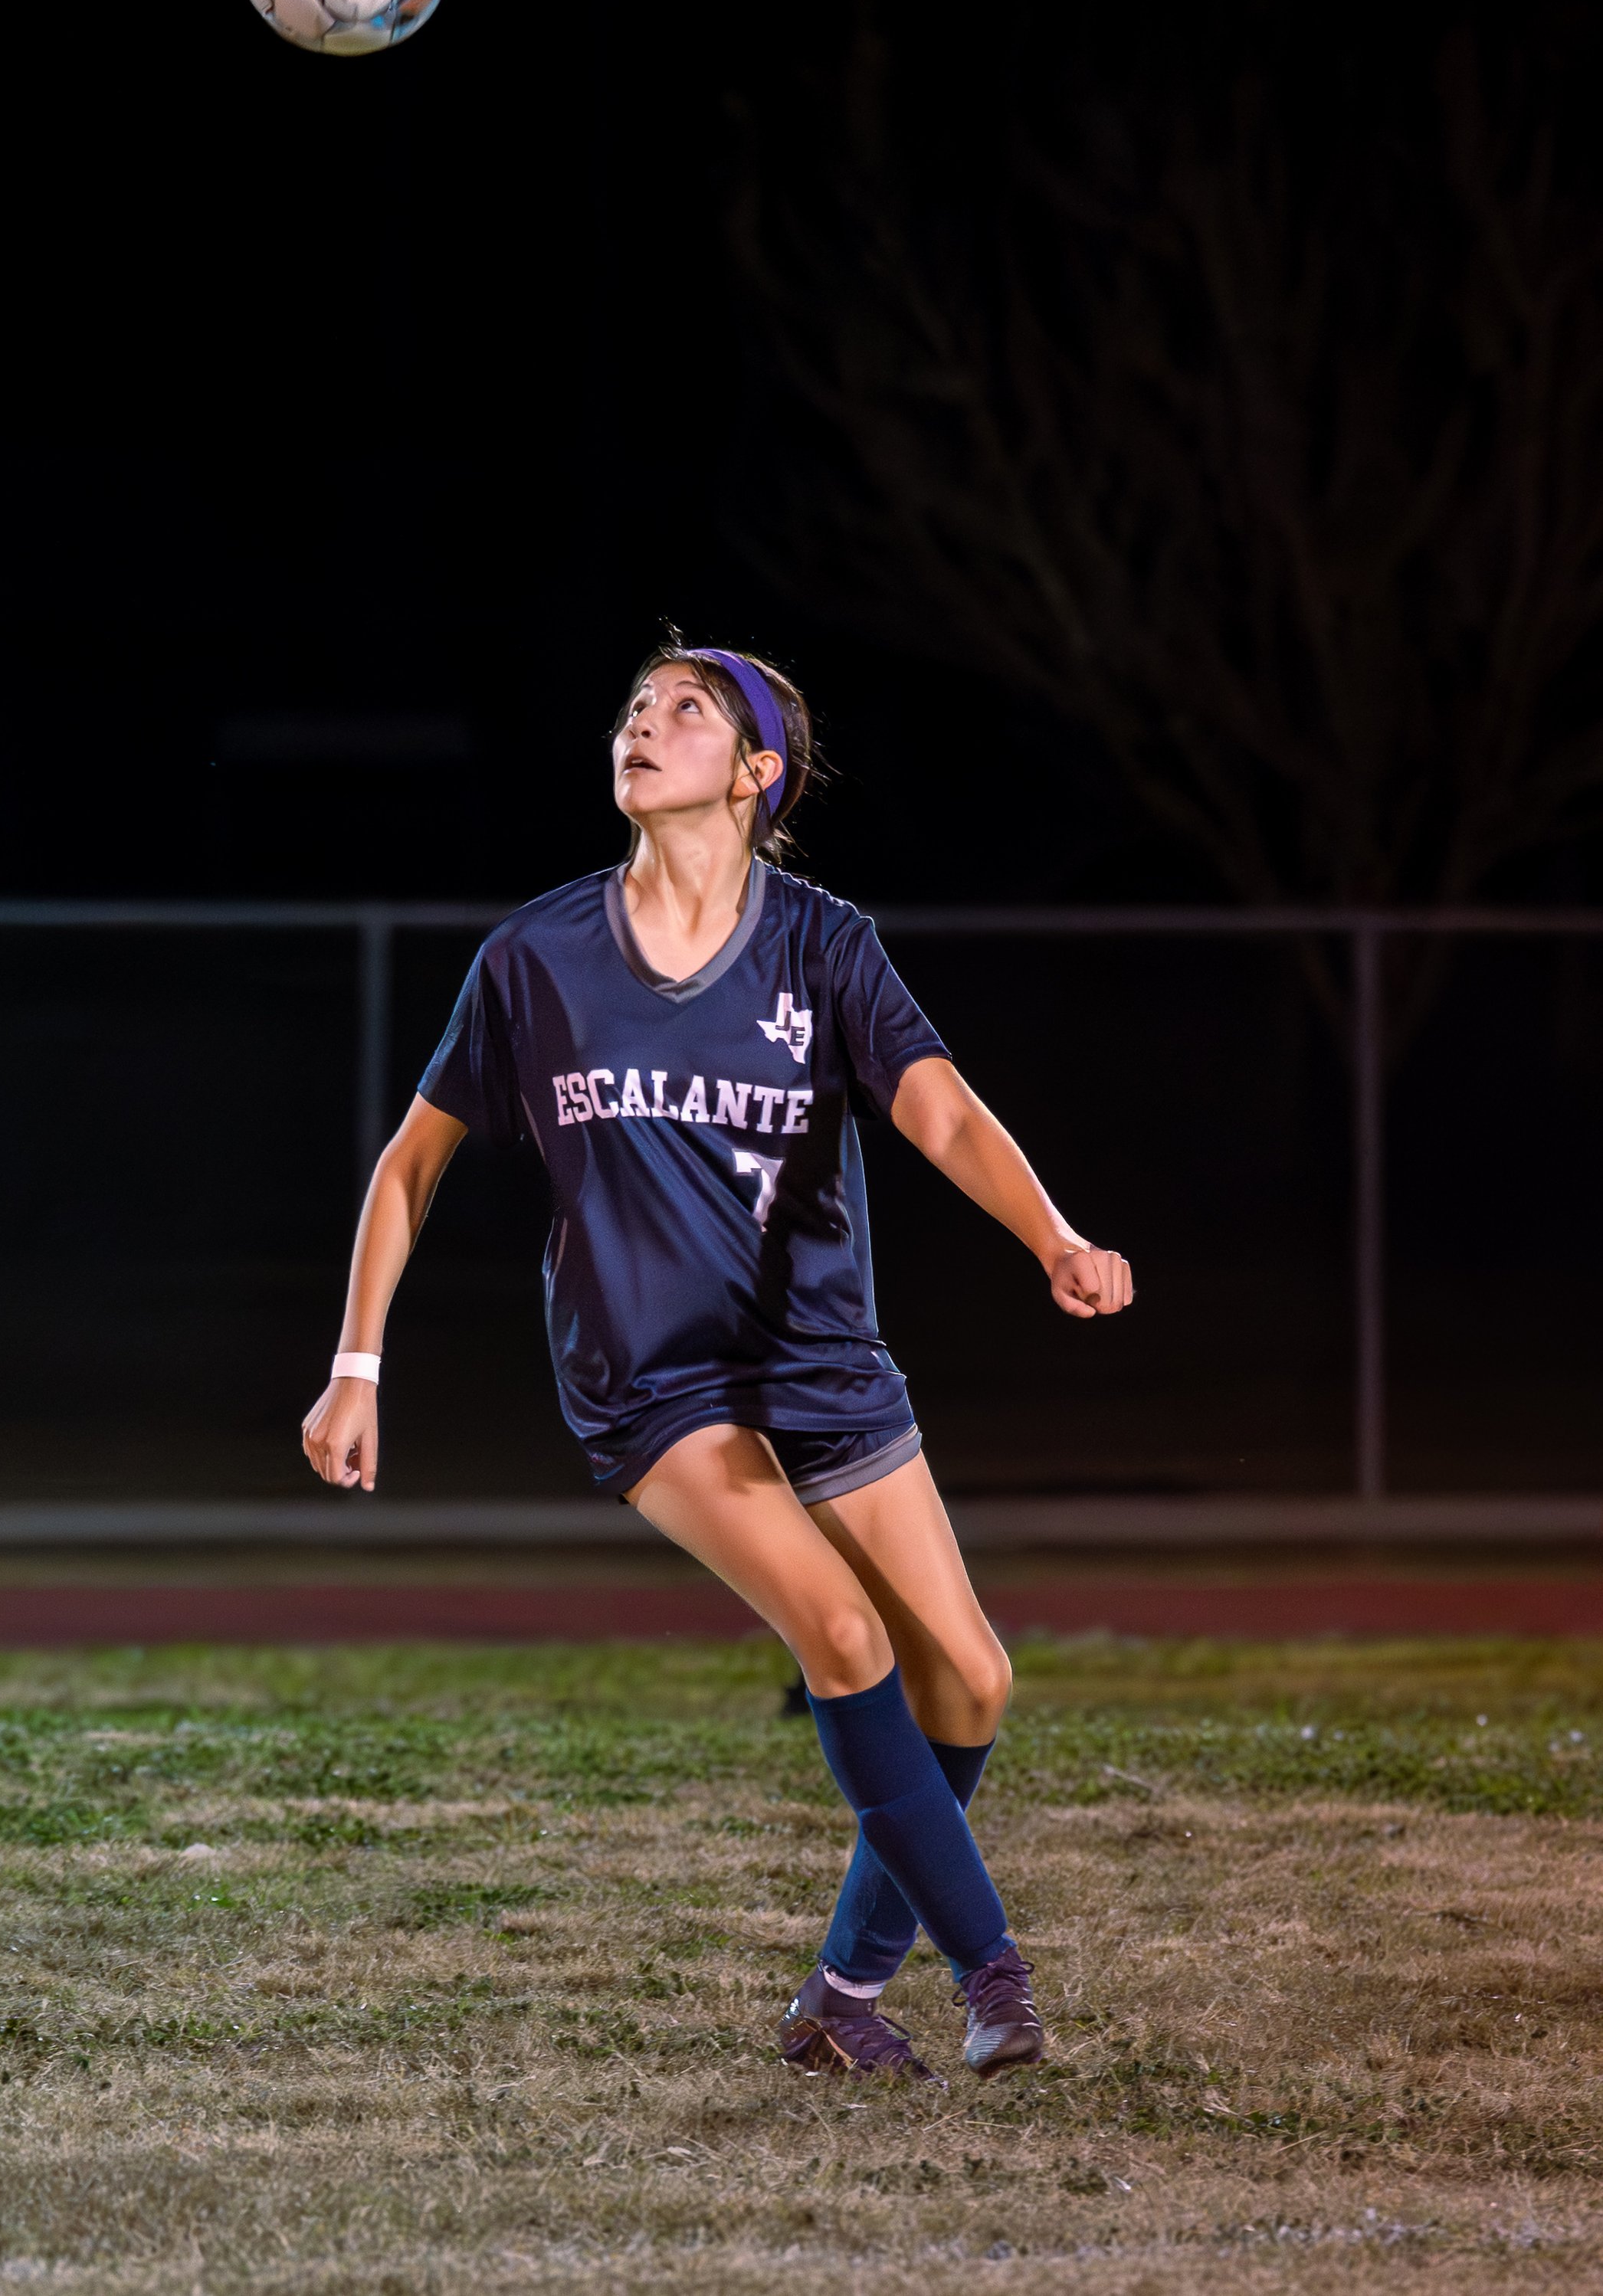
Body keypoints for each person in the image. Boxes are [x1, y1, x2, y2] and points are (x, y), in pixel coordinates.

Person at [303, 641, 1132, 2085]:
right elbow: (407, 1167)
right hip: (653, 1380)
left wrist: (1050, 1235)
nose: (644, 722)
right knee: (846, 1638)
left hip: (825, 1361)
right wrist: (357, 1362)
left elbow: (939, 1115)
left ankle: (838, 2002)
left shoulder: (823, 942)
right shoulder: (536, 958)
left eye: (687, 710)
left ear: (757, 774)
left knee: (975, 1683)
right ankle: (994, 1975)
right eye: (633, 704)